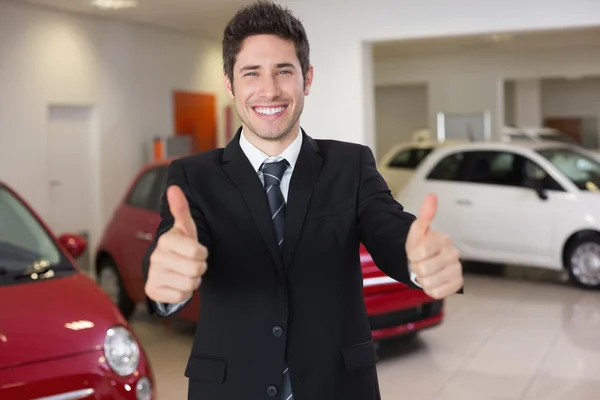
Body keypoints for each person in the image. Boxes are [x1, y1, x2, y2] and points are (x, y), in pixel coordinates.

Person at [142, 1, 464, 399]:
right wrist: (165, 281)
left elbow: (386, 224)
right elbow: (174, 241)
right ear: (230, 84)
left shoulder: (350, 164)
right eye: (251, 73)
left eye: (284, 71)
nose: (270, 89)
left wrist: (417, 255)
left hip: (338, 386)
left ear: (306, 78)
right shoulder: (193, 175)